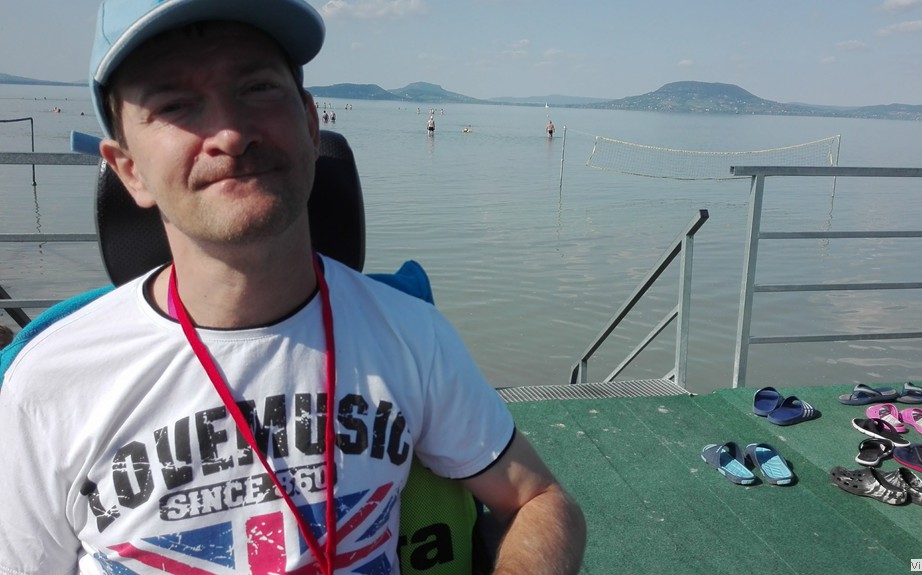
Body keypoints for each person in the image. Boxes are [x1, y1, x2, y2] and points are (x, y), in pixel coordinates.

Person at [0, 0, 586, 573]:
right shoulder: (49, 383)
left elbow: (538, 500)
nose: (231, 133)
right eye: (175, 104)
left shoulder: (410, 335)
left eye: (257, 87)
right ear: (129, 169)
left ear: (309, 123)